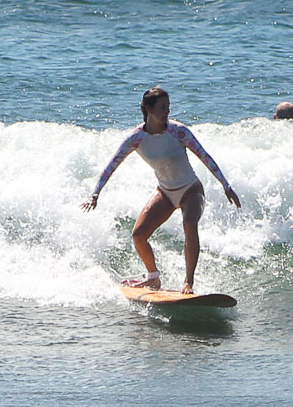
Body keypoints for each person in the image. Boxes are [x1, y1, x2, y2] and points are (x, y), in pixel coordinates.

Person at [81, 86, 240, 294]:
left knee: (189, 223)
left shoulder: (178, 131)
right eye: (162, 107)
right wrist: (95, 193)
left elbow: (205, 156)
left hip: (191, 190)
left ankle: (188, 282)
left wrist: (225, 185)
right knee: (138, 235)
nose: (167, 112)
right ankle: (153, 278)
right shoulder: (136, 138)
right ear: (148, 109)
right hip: (165, 193)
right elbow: (112, 165)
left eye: (168, 107)